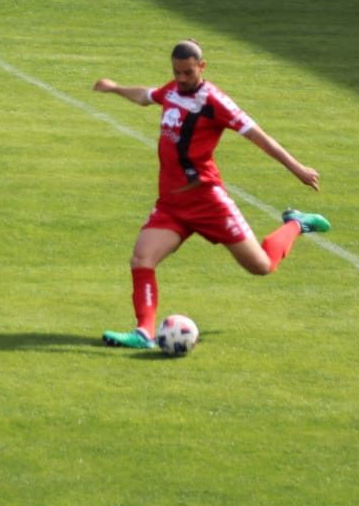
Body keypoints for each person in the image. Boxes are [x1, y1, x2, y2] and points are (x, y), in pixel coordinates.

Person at [93, 41, 329, 350]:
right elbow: (146, 96)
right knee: (141, 258)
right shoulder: (173, 90)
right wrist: (115, 88)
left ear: (202, 67)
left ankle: (296, 223)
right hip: (172, 204)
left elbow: (260, 138)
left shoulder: (215, 102)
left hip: (207, 201)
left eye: (188, 72)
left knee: (261, 266)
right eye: (176, 72)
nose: (181, 78)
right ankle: (144, 332)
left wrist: (297, 168)